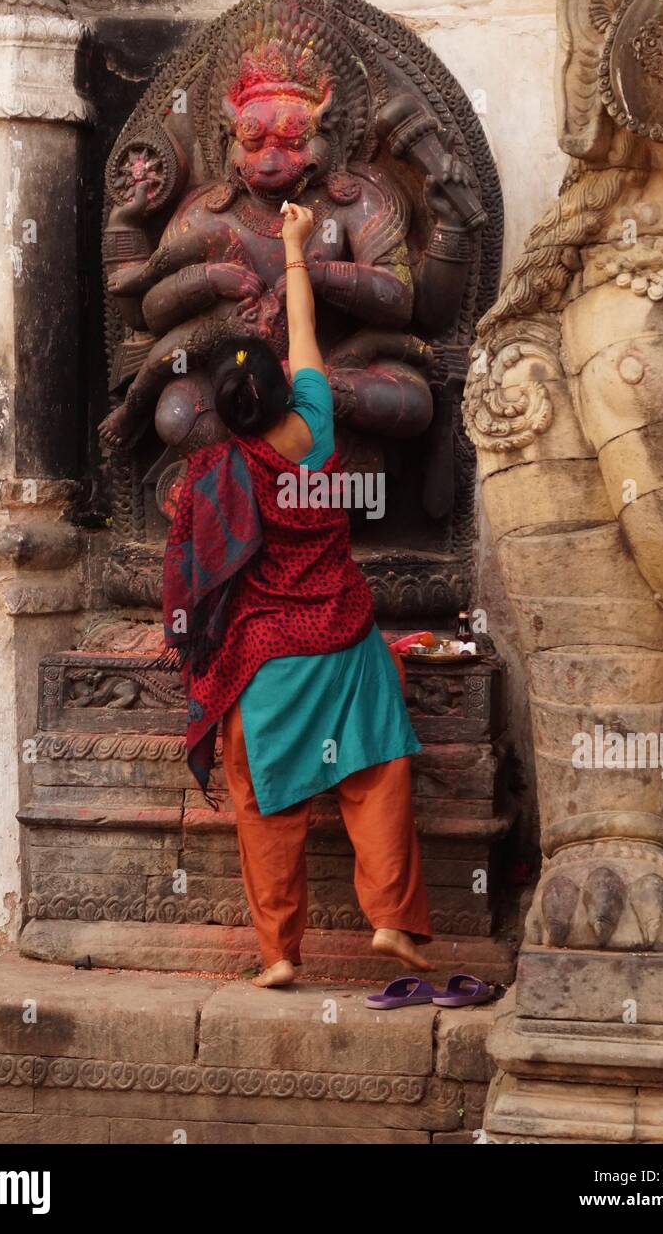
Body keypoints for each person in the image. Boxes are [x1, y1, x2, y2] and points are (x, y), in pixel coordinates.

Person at [163, 202, 431, 988]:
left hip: (265, 659)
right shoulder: (314, 430)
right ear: (282, 396)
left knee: (265, 803)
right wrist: (293, 246)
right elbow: (304, 332)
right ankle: (391, 922)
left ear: (224, 413)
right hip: (346, 641)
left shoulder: (217, 476)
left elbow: (195, 574)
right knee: (377, 771)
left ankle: (279, 954)